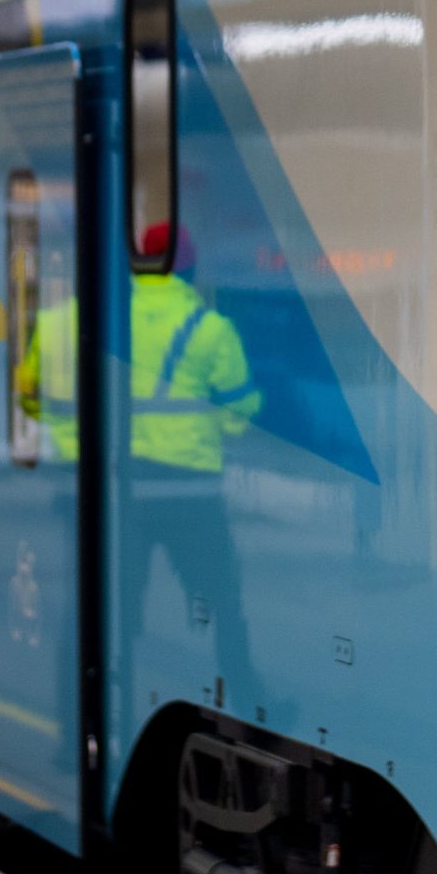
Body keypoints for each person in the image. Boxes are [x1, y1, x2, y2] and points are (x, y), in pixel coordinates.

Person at [127, 222, 260, 709]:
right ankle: (246, 696)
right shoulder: (210, 330)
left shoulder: (111, 317)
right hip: (190, 490)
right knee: (223, 598)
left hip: (128, 486)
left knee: (121, 604)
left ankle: (101, 713)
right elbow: (239, 414)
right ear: (190, 266)